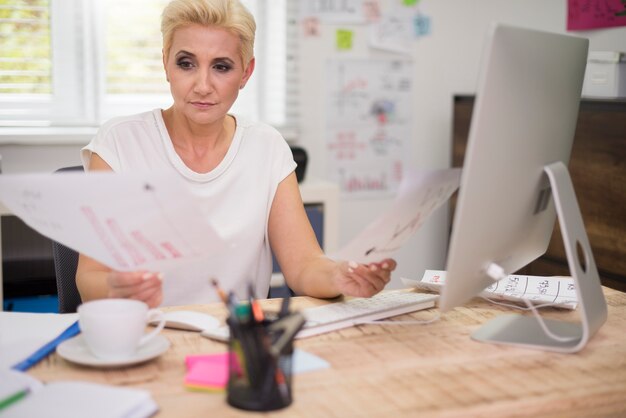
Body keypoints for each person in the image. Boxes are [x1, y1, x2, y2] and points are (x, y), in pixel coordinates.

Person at [76, 0, 396, 308]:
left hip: (238, 339)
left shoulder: (267, 147)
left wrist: (339, 276)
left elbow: (303, 265)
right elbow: (91, 277)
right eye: (186, 63)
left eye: (221, 67)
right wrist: (115, 289)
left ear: (245, 73)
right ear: (165, 64)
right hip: (147, 338)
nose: (203, 85)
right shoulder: (119, 143)